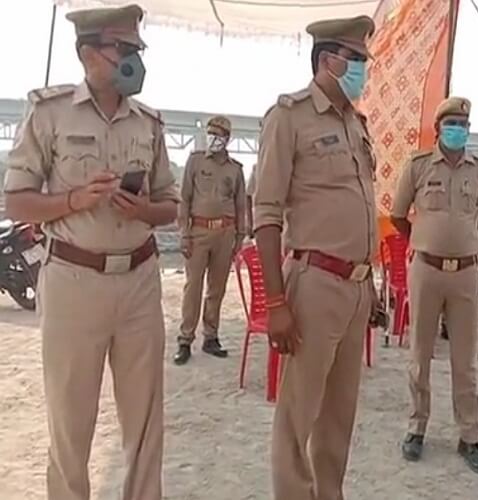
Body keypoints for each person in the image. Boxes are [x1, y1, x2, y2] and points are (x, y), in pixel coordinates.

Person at [3, 4, 178, 499]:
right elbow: (17, 200)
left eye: (137, 50)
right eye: (123, 50)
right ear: (88, 53)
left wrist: (144, 210)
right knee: (71, 422)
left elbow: (171, 207)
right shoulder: (49, 112)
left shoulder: (148, 123)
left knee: (145, 425)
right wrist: (73, 200)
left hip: (140, 281)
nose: (133, 60)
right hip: (73, 281)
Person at [251, 15, 379, 500]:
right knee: (297, 417)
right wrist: (275, 302)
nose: (365, 70)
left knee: (339, 416)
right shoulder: (289, 117)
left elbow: (363, 207)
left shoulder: (356, 125)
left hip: (356, 287)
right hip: (314, 283)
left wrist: (374, 284)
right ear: (329, 60)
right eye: (358, 60)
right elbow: (266, 215)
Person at [391, 96, 478, 474]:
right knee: (420, 354)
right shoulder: (418, 166)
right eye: (451, 124)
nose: (458, 131)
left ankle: (469, 436)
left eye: (463, 125)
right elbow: (400, 215)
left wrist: (456, 241)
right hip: (427, 270)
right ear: (439, 129)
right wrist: (424, 240)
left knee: (465, 361)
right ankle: (417, 428)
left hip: (465, 272)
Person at [174, 116, 247, 364]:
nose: (213, 138)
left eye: (218, 134)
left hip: (225, 234)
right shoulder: (195, 161)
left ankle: (211, 336)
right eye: (210, 133)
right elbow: (184, 198)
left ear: (227, 139)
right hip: (198, 232)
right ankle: (185, 339)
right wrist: (183, 233)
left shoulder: (235, 169)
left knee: (216, 288)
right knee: (193, 287)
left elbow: (240, 205)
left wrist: (240, 237)